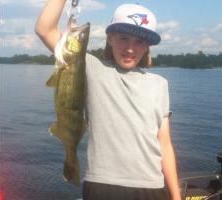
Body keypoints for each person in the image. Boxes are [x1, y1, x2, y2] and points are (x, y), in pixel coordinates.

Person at [35, 1, 182, 200]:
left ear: (147, 46)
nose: (130, 48)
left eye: (139, 41)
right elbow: (44, 29)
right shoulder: (90, 68)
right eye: (123, 38)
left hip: (153, 186)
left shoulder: (160, 84)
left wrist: (175, 195)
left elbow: (164, 144)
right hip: (103, 186)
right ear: (110, 38)